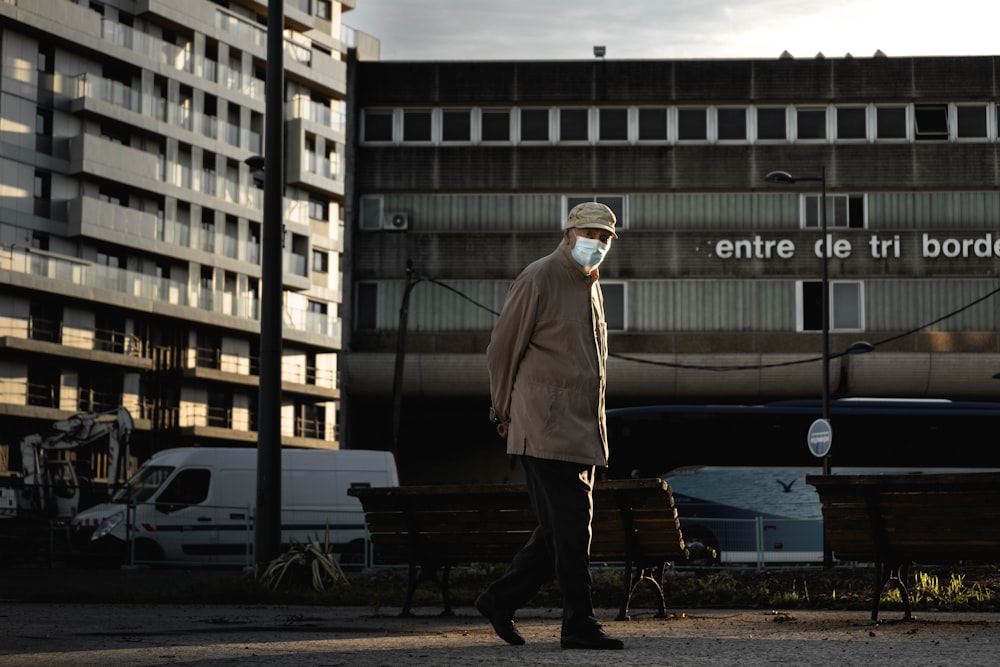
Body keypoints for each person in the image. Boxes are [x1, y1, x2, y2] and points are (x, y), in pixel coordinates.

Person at [475, 201, 624, 651]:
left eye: (604, 238)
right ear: (568, 234)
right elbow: (501, 350)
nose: (595, 245)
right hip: (544, 426)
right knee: (573, 529)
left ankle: (499, 600)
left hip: (580, 430)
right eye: (589, 235)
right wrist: (501, 409)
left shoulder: (590, 285)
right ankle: (579, 623)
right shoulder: (539, 276)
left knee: (560, 532)